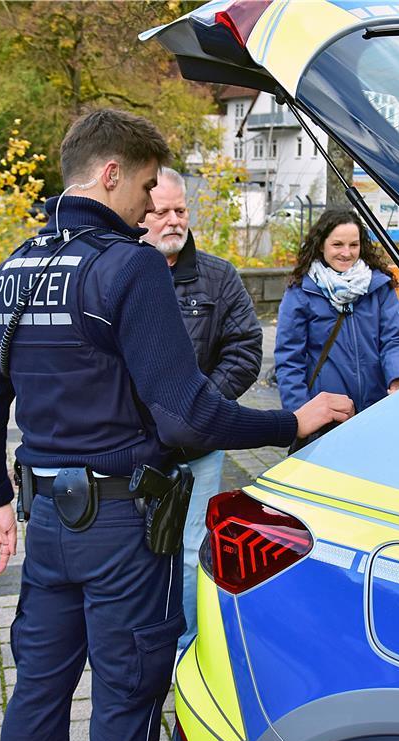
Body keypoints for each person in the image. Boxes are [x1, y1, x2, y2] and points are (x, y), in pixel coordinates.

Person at [0, 108, 354, 741]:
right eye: (147, 187)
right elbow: (187, 416)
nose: (150, 206)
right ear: (112, 173)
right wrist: (292, 421)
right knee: (127, 692)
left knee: (38, 687)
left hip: (48, 523)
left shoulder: (14, 269)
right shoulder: (129, 266)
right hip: (122, 524)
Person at [139, 166, 261, 658]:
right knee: (134, 553)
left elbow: (246, 348)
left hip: (198, 445)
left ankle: (186, 652)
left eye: (181, 210)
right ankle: (140, 647)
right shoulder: (118, 276)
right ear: (139, 215)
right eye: (161, 211)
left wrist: (200, 407)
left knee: (191, 553)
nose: (174, 221)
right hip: (131, 446)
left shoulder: (218, 275)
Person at [274, 207, 399, 422]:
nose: (346, 253)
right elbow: (289, 360)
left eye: (354, 245)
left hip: (376, 409)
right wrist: (302, 414)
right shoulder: (301, 292)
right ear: (321, 245)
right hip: (326, 415)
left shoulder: (378, 287)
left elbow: (395, 339)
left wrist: (398, 375)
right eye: (337, 244)